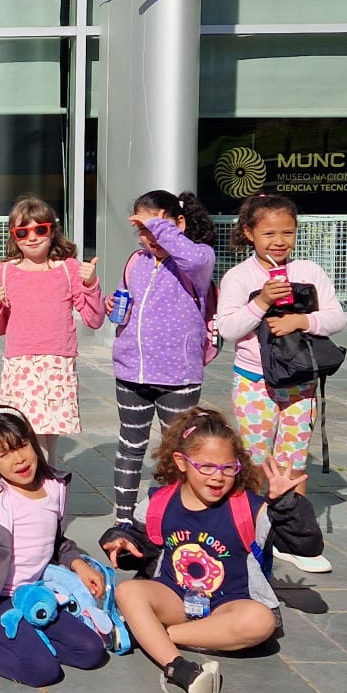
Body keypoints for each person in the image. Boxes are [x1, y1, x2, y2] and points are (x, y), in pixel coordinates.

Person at [100, 406, 318, 693]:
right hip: (174, 597)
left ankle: (146, 635)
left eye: (228, 468)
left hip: (228, 604)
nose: (218, 477)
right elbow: (140, 545)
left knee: (261, 621)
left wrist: (286, 504)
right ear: (181, 462)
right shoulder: (158, 503)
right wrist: (122, 541)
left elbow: (307, 546)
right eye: (206, 467)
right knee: (128, 591)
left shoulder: (251, 508)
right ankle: (178, 667)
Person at [213, 193, 346, 575]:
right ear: (249, 233)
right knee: (256, 459)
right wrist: (260, 303)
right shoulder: (240, 276)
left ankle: (293, 536)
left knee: (293, 459)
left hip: (300, 382)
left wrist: (301, 322)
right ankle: (253, 530)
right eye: (269, 233)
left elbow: (336, 317)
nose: (279, 241)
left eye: (287, 232)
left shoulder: (309, 271)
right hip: (255, 382)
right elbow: (228, 328)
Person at [0, 406, 111, 688]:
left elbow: (57, 541)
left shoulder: (54, 486)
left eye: (22, 446)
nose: (19, 458)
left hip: (32, 596)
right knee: (42, 671)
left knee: (91, 651)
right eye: (5, 454)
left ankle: (29, 640)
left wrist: (79, 564)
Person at [0, 195, 103, 510]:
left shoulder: (68, 269)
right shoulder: (4, 272)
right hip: (21, 364)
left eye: (40, 230)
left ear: (52, 231)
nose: (32, 238)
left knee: (50, 440)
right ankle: (25, 503)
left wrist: (91, 284)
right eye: (23, 232)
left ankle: (50, 504)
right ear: (13, 236)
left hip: (57, 363)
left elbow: (94, 318)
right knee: (23, 436)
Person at [109, 190, 216, 525]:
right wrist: (114, 306)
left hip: (178, 376)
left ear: (179, 223)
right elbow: (126, 304)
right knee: (130, 447)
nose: (150, 237)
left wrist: (160, 228)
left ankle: (176, 521)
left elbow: (193, 260)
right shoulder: (136, 262)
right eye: (143, 229)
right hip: (132, 372)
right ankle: (123, 521)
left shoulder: (199, 258)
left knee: (180, 452)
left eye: (157, 226)